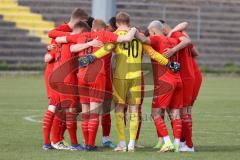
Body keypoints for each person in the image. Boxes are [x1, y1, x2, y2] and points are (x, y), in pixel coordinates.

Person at [42, 8, 88, 150]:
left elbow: (51, 51)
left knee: (55, 108)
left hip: (56, 76)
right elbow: (48, 55)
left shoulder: (63, 39)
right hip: (64, 78)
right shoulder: (69, 36)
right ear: (80, 23)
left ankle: (49, 142)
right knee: (68, 111)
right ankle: (65, 141)